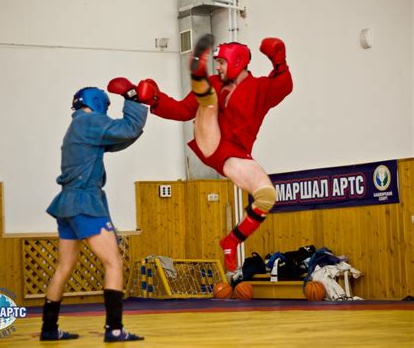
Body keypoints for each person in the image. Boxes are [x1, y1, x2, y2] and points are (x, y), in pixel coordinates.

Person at [109, 35, 293, 273]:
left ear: (237, 62)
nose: (217, 67)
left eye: (222, 62)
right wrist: (155, 99)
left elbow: (284, 86)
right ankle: (148, 93)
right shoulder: (214, 82)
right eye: (216, 62)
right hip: (210, 140)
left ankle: (231, 242)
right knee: (208, 96)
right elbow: (182, 110)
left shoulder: (260, 89)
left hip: (234, 156)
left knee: (267, 196)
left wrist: (280, 63)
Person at [41, 86, 147, 342]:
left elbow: (120, 139)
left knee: (64, 267)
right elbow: (128, 129)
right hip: (85, 202)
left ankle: (49, 329)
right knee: (113, 263)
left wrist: (133, 112)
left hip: (67, 203)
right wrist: (133, 99)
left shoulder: (78, 125)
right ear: (99, 103)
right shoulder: (90, 121)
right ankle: (115, 329)